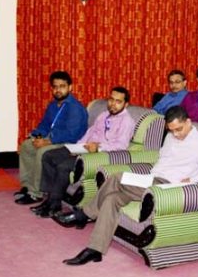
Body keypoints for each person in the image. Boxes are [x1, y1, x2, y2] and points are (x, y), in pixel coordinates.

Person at [55, 106, 198, 265]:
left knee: (116, 178)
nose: (176, 134)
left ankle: (84, 213)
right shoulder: (171, 137)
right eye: (171, 130)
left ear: (188, 122)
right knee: (112, 198)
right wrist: (148, 176)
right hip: (151, 180)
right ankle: (95, 249)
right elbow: (162, 161)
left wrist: (193, 179)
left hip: (166, 187)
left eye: (179, 129)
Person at [32, 86, 137, 218]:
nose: (113, 104)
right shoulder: (104, 115)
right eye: (111, 99)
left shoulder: (127, 121)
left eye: (118, 101)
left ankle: (54, 204)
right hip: (84, 148)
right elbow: (90, 132)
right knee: (48, 156)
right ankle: (48, 199)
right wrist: (77, 147)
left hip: (99, 155)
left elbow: (121, 145)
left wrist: (99, 147)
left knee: (63, 166)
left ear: (125, 104)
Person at [14, 70, 88, 204]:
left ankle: (36, 193)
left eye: (62, 86)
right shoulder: (53, 105)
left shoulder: (75, 108)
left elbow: (72, 134)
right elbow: (45, 125)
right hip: (51, 139)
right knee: (27, 146)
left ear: (70, 87)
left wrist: (47, 141)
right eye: (55, 87)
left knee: (42, 152)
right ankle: (27, 185)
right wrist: (36, 135)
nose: (58, 90)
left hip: (69, 143)